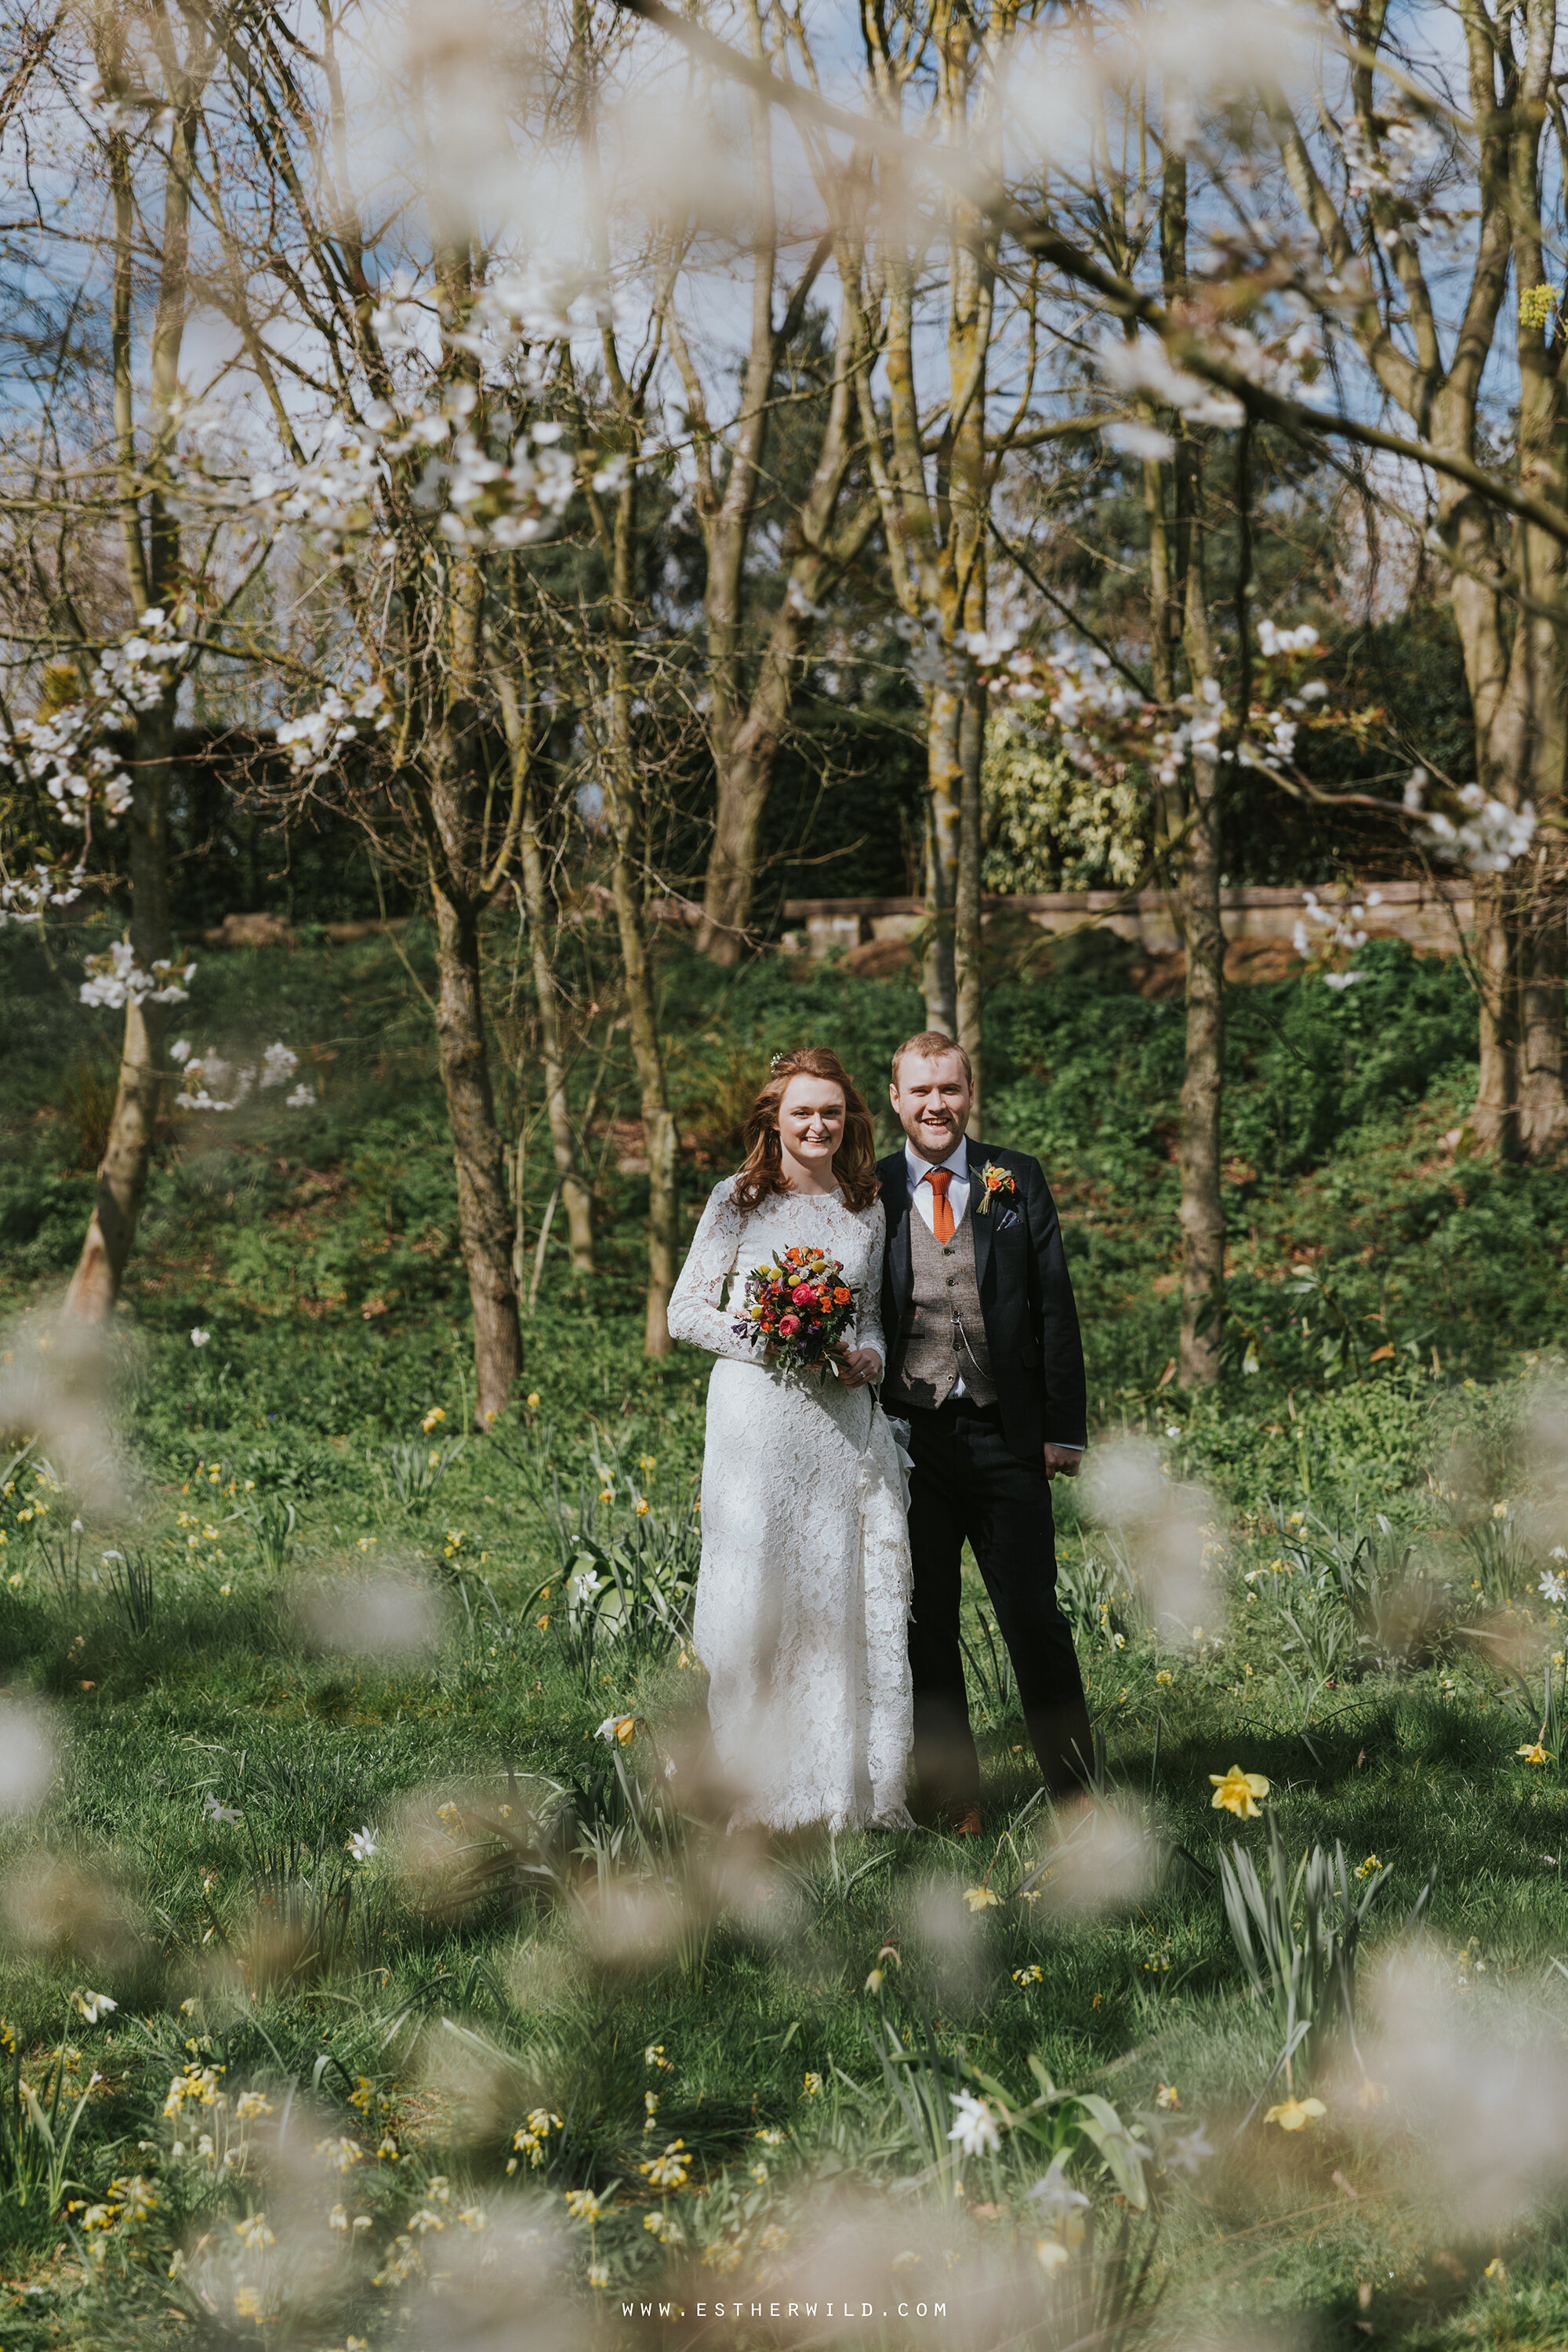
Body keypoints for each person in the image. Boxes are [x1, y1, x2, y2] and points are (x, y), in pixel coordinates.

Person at [666, 1047, 913, 1832]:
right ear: (773, 1119)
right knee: (759, 1593)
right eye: (802, 1111)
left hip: (839, 1424)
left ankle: (845, 1788)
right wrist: (773, 1334)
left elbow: (867, 1310)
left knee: (836, 1589)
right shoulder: (736, 1199)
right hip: (757, 1418)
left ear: (850, 1120)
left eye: (831, 1112)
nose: (817, 1125)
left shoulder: (864, 1206)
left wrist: (867, 1353)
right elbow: (686, 1311)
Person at [877, 1030, 1091, 1835]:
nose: (936, 1105)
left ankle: (1075, 1791)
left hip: (1006, 1434)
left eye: (950, 1090)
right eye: (920, 1091)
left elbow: (1052, 1311)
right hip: (909, 1438)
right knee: (925, 1620)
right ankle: (954, 1799)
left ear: (969, 1096)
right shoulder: (870, 1189)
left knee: (1034, 1616)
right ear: (896, 1100)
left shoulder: (1015, 1178)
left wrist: (1061, 1428)